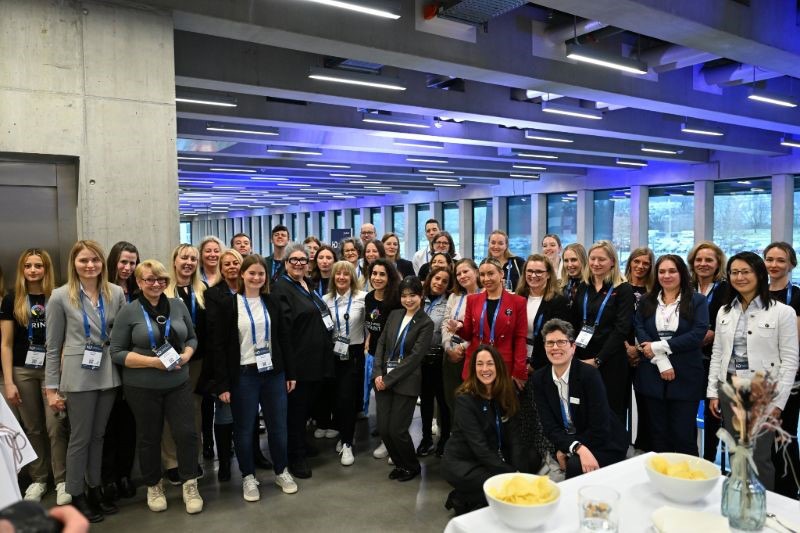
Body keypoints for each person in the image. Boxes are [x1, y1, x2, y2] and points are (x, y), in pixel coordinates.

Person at [109, 259, 203, 515]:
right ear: (139, 283)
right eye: (149, 279)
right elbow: (116, 352)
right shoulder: (129, 312)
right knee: (149, 438)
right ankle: (154, 485)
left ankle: (190, 483)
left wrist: (186, 355)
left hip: (178, 382)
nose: (156, 284)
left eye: (161, 279)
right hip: (142, 386)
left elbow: (192, 337)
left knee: (186, 433)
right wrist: (153, 363)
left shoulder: (177, 305)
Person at [44, 240, 126, 523]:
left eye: (95, 260)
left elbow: (122, 334)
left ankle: (95, 488)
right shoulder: (59, 296)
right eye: (83, 260)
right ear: (74, 264)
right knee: (80, 438)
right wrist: (51, 389)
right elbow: (53, 347)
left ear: (102, 263)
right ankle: (76, 493)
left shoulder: (115, 293)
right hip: (78, 375)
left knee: (99, 435)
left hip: (108, 372)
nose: (90, 265)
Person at [208, 254, 297, 502]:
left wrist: (291, 373)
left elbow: (284, 339)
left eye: (261, 273)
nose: (256, 277)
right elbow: (219, 348)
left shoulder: (273, 301)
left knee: (278, 426)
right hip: (244, 375)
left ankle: (282, 471)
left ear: (266, 277)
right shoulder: (229, 305)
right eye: (252, 273)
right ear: (242, 275)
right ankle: (248, 476)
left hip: (273, 374)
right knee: (244, 429)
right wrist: (222, 384)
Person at [707, 252, 799, 491]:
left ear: (759, 273)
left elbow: (789, 361)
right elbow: (718, 353)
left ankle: (760, 512)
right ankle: (739, 504)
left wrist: (778, 403)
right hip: (729, 387)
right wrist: (713, 392)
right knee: (737, 452)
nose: (739, 277)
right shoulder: (725, 311)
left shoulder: (783, 312)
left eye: (745, 271)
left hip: (762, 390)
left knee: (759, 457)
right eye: (734, 272)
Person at [1, 249, 69, 505]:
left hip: (52, 370)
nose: (33, 270)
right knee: (32, 428)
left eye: (38, 265)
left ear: (46, 269)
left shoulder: (58, 297)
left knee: (56, 426)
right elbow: (6, 344)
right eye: (27, 266)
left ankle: (62, 480)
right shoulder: (12, 300)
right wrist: (8, 382)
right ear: (22, 270)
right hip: (23, 371)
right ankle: (39, 479)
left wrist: (60, 371)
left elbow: (65, 339)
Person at [532, 319, 627, 479]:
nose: (555, 347)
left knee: (575, 465)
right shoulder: (539, 378)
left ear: (573, 347)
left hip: (604, 442)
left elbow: (600, 427)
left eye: (561, 342)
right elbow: (549, 427)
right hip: (572, 441)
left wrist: (574, 448)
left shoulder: (588, 375)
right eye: (550, 343)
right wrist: (573, 447)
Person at [634, 255, 708, 455]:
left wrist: (658, 347)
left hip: (685, 377)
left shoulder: (697, 301)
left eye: (672, 271)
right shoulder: (647, 301)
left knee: (684, 436)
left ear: (682, 273)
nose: (666, 276)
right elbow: (640, 330)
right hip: (652, 377)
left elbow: (697, 334)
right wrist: (661, 361)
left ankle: (689, 481)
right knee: (658, 435)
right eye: (662, 271)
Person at [271, 244, 334, 479]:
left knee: (306, 409)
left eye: (303, 260)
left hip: (316, 360)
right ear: (285, 263)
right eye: (294, 260)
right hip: (298, 362)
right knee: (296, 412)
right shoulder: (281, 289)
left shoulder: (308, 285)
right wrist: (290, 370)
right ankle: (294, 457)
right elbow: (284, 332)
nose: (299, 263)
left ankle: (300, 445)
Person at [441, 345, 526, 516]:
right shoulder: (465, 399)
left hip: (491, 454)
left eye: (489, 364)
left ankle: (471, 496)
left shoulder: (506, 391)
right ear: (474, 368)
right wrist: (511, 474)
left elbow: (515, 434)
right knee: (502, 484)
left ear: (498, 367)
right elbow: (479, 446)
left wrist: (519, 470)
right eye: (479, 364)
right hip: (463, 462)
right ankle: (462, 498)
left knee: (528, 461)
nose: (485, 369)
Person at [372, 276, 434, 482]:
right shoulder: (395, 315)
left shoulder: (426, 323)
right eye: (404, 296)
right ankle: (399, 464)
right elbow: (381, 344)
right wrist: (378, 373)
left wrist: (388, 379)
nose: (408, 300)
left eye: (413, 296)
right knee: (385, 429)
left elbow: (415, 358)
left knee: (398, 430)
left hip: (405, 382)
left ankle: (411, 465)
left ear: (421, 296)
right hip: (383, 380)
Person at [569, 240, 634, 421]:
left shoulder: (623, 289)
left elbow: (621, 329)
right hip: (582, 356)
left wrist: (598, 360)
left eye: (602, 259)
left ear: (612, 261)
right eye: (593, 259)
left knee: (611, 412)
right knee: (585, 409)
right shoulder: (583, 286)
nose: (596, 263)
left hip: (610, 359)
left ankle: (612, 449)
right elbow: (574, 322)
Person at [162, 244, 208, 483]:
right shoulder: (163, 291)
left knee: (193, 411)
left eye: (193, 258)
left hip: (196, 362)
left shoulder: (202, 291)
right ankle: (172, 461)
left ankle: (192, 458)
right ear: (175, 260)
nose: (188, 262)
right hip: (169, 362)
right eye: (184, 258)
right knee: (170, 412)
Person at [202, 248, 248, 481]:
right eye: (227, 264)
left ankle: (252, 455)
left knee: (247, 415)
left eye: (236, 263)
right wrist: (221, 383)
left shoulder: (251, 291)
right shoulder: (214, 294)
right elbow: (215, 340)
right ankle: (225, 463)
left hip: (249, 362)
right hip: (225, 364)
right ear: (221, 269)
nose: (232, 267)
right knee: (224, 415)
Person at [448, 258, 528, 391]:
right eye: (483, 275)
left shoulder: (518, 302)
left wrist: (519, 370)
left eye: (491, 274)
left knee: (502, 408)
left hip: (503, 364)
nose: (486, 279)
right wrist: (458, 329)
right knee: (475, 408)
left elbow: (520, 338)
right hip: (476, 363)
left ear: (501, 274)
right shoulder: (472, 300)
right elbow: (468, 335)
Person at [100, 242, 140, 504]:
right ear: (113, 261)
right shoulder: (102, 291)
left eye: (132, 263)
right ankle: (108, 478)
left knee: (129, 423)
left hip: (133, 366)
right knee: (108, 423)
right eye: (123, 262)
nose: (127, 268)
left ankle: (125, 475)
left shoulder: (140, 291)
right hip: (104, 365)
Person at [763, 241, 800, 498]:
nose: (774, 265)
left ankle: (788, 493)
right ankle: (764, 489)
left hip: (788, 379)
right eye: (769, 259)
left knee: (783, 436)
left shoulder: (797, 296)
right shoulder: (756, 294)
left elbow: (794, 344)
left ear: (791, 264)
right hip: (757, 378)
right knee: (760, 438)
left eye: (780, 260)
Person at [322, 261, 367, 466]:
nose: (341, 277)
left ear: (352, 278)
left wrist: (368, 346)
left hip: (354, 353)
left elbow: (372, 327)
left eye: (345, 274)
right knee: (335, 397)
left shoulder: (362, 298)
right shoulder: (325, 300)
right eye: (337, 274)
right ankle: (343, 433)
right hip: (332, 354)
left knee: (347, 397)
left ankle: (348, 443)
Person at [687, 241, 728, 462]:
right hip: (688, 359)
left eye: (708, 260)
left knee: (713, 414)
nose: (703, 264)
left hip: (714, 360)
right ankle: (690, 460)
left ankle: (711, 463)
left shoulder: (726, 288)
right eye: (699, 260)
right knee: (687, 414)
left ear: (718, 263)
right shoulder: (686, 288)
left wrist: (715, 333)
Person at [363, 259, 402, 460]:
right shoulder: (369, 298)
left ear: (390, 277)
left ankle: (393, 443)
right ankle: (385, 439)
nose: (377, 278)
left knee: (393, 401)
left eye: (382, 274)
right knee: (380, 400)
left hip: (392, 357)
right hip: (373, 356)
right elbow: (372, 325)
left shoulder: (396, 300)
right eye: (374, 273)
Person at [418, 266, 452, 457]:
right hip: (420, 359)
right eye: (437, 278)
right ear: (430, 278)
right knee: (425, 401)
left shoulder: (448, 303)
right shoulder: (420, 299)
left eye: (444, 281)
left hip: (440, 358)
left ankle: (445, 438)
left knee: (443, 401)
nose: (439, 283)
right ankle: (426, 438)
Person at [441, 259, 481, 423]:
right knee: (452, 399)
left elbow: (480, 328)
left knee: (470, 401)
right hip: (450, 353)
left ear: (476, 272)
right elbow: (445, 322)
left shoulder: (485, 295)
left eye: (466, 271)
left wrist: (462, 348)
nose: (462, 276)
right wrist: (448, 347)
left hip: (471, 354)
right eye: (458, 273)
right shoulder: (454, 297)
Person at [623, 247, 655, 452]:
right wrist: (627, 348)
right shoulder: (619, 288)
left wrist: (638, 349)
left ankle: (643, 448)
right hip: (621, 352)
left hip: (647, 354)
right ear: (630, 263)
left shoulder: (654, 293)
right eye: (637, 261)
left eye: (646, 263)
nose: (640, 266)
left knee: (646, 406)